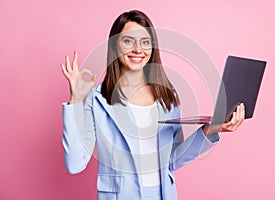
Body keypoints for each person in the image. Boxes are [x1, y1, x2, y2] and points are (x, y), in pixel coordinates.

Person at [61, 10, 245, 200]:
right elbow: (75, 164)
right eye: (128, 41)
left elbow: (173, 159)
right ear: (115, 46)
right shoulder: (98, 99)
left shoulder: (166, 95)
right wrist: (75, 100)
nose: (138, 49)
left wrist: (210, 129)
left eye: (145, 42)